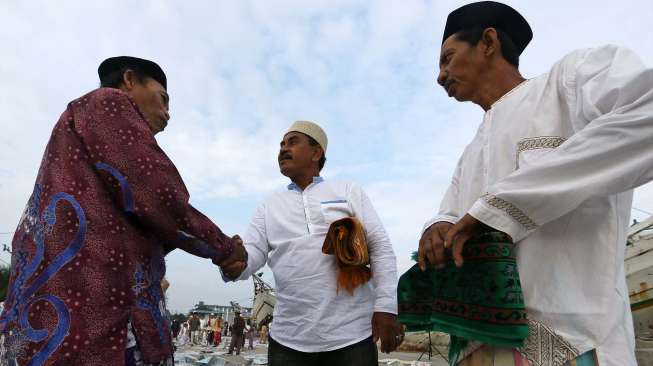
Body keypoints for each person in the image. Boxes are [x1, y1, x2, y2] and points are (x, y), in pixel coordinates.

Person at [417, 2, 653, 365]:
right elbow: (451, 215)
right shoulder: (469, 154)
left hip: (573, 345)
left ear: (488, 42)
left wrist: (500, 208)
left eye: (447, 58)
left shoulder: (571, 81)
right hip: (474, 348)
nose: (440, 75)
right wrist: (436, 228)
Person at [0, 56, 248, 366]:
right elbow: (156, 194)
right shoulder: (108, 102)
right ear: (129, 80)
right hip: (95, 324)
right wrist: (223, 247)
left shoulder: (76, 138)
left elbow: (137, 223)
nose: (168, 113)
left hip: (55, 324)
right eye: (163, 99)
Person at [224, 121, 402, 366]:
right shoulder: (269, 205)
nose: (283, 149)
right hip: (289, 338)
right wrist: (236, 264)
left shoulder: (348, 191)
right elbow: (253, 253)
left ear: (316, 153)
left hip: (351, 335)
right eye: (281, 144)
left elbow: (380, 247)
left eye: (293, 142)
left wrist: (386, 307)